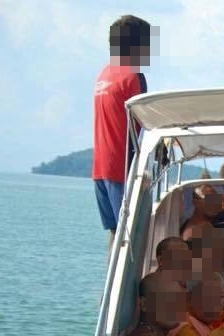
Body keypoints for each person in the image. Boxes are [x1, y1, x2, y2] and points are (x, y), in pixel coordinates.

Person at [93, 14, 152, 246]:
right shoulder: (133, 77)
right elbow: (144, 124)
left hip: (101, 170)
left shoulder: (103, 75)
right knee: (132, 238)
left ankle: (111, 272)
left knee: (115, 233)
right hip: (122, 169)